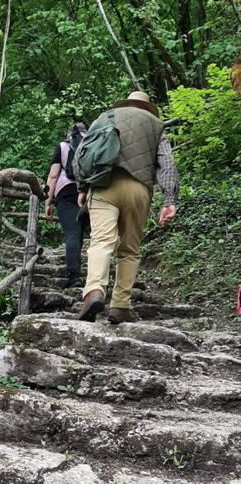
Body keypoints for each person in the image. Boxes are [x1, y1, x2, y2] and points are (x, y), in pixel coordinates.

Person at [74, 91, 179, 323]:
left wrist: (82, 187)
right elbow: (167, 164)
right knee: (129, 250)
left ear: (127, 102)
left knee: (101, 242)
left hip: (104, 186)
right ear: (148, 106)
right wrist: (169, 199)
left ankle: (94, 292)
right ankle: (120, 306)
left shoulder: (105, 117)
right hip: (138, 190)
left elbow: (81, 154)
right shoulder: (155, 124)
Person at [44, 122, 88, 288]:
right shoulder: (92, 143)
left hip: (66, 191)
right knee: (79, 233)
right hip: (89, 191)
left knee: (72, 233)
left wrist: (48, 201)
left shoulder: (62, 146)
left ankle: (74, 276)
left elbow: (53, 176)